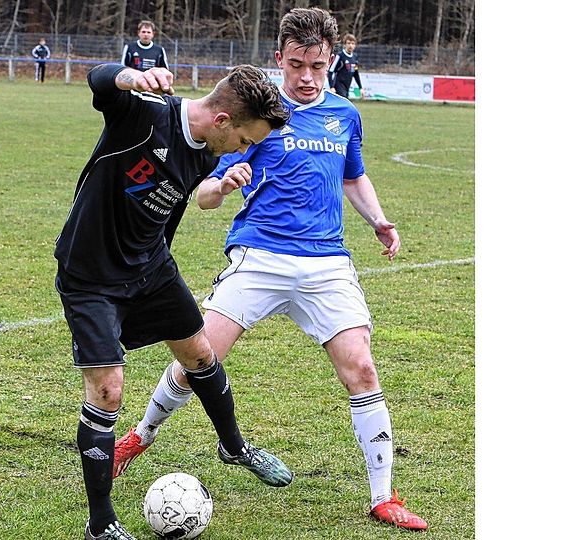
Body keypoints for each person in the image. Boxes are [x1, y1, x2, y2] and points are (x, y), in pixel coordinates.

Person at [113, 7, 428, 531]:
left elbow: (354, 177)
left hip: (327, 262)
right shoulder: (256, 113)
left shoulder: (344, 114)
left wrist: (379, 219)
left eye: (318, 67)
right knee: (200, 355)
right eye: (297, 65)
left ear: (331, 62)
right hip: (259, 256)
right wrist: (223, 182)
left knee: (362, 369)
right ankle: (138, 438)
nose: (307, 77)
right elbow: (205, 198)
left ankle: (382, 497)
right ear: (279, 58)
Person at [54, 62, 291, 540]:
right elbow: (99, 81)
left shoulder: (206, 152)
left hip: (151, 270)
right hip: (92, 274)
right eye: (246, 140)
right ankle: (100, 524)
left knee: (200, 354)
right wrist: (129, 77)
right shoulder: (145, 114)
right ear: (224, 121)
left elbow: (196, 197)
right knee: (107, 391)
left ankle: (234, 448)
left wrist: (221, 188)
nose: (244, 150)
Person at [328, 33, 364, 99]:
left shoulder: (355, 57)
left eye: (353, 43)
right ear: (344, 44)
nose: (350, 45)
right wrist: (332, 86)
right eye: (348, 43)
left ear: (355, 45)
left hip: (347, 86)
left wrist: (360, 88)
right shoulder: (340, 56)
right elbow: (331, 71)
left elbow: (356, 73)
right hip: (338, 85)